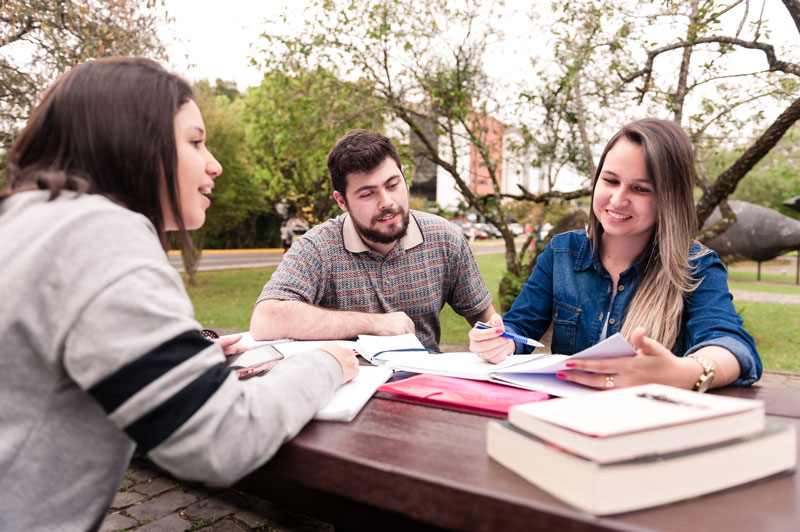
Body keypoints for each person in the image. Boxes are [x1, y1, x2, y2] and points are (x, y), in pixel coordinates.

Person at [0, 57, 358, 532]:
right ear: (130, 141)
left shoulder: (26, 221)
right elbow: (221, 438)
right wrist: (327, 363)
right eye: (195, 141)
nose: (215, 163)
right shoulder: (99, 234)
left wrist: (176, 360)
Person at [469, 118, 761, 391]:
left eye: (640, 189)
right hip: (564, 420)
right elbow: (520, 326)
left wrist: (685, 372)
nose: (618, 199)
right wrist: (499, 341)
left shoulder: (697, 267)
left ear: (669, 200)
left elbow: (731, 345)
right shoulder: (561, 253)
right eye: (610, 181)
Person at [250, 129, 496, 349]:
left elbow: (488, 322)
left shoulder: (446, 239)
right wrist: (373, 324)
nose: (387, 202)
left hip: (425, 386)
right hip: (348, 388)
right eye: (368, 194)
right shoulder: (318, 248)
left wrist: (495, 343)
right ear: (342, 201)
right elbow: (265, 320)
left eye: (392, 185)